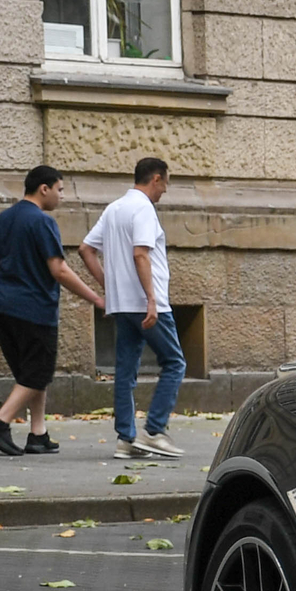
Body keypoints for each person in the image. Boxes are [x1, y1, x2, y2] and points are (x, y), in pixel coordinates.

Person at [80, 156, 185, 459]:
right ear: (155, 179)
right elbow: (141, 254)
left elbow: (86, 249)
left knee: (125, 371)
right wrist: (151, 298)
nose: (165, 190)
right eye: (165, 183)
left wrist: (109, 287)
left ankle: (126, 440)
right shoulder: (143, 209)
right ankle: (154, 431)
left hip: (121, 304)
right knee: (174, 363)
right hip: (147, 303)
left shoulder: (114, 208)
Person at [0, 166, 107, 456]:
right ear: (43, 189)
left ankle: (38, 434)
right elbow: (58, 269)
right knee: (37, 372)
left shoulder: (4, 218)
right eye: (59, 189)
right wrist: (95, 298)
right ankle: (2, 421)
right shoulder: (42, 222)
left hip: (4, 309)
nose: (62, 195)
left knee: (29, 373)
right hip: (35, 309)